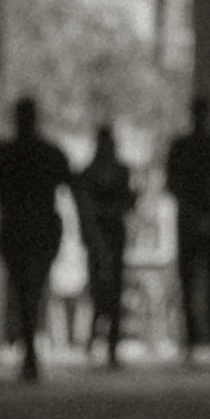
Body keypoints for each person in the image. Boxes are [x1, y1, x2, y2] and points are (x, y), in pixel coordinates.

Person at [0, 97, 73, 381]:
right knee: (31, 288)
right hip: (36, 229)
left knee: (24, 288)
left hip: (21, 228)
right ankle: (30, 345)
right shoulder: (46, 152)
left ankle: (30, 345)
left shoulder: (7, 152)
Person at [164, 93, 210, 360]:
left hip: (201, 222)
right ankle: (205, 338)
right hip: (199, 222)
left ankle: (205, 339)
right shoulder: (208, 148)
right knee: (199, 283)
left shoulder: (191, 148)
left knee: (206, 283)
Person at [74, 120, 137, 366]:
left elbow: (126, 202)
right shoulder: (89, 173)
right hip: (97, 234)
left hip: (113, 234)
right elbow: (85, 208)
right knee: (98, 287)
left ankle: (110, 342)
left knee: (114, 288)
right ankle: (96, 338)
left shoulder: (121, 172)